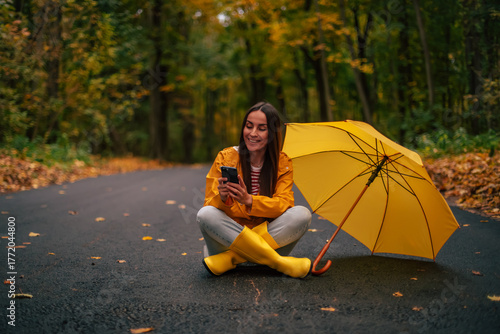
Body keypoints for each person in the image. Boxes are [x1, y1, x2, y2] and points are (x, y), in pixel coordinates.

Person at [197, 102, 312, 278]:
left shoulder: (283, 163)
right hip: (228, 239)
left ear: (272, 134)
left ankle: (231, 259)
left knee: (302, 214)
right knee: (205, 214)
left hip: (260, 238)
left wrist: (250, 200)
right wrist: (223, 197)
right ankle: (277, 262)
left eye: (261, 128)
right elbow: (209, 205)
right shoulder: (226, 157)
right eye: (249, 126)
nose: (252, 133)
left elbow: (284, 204)